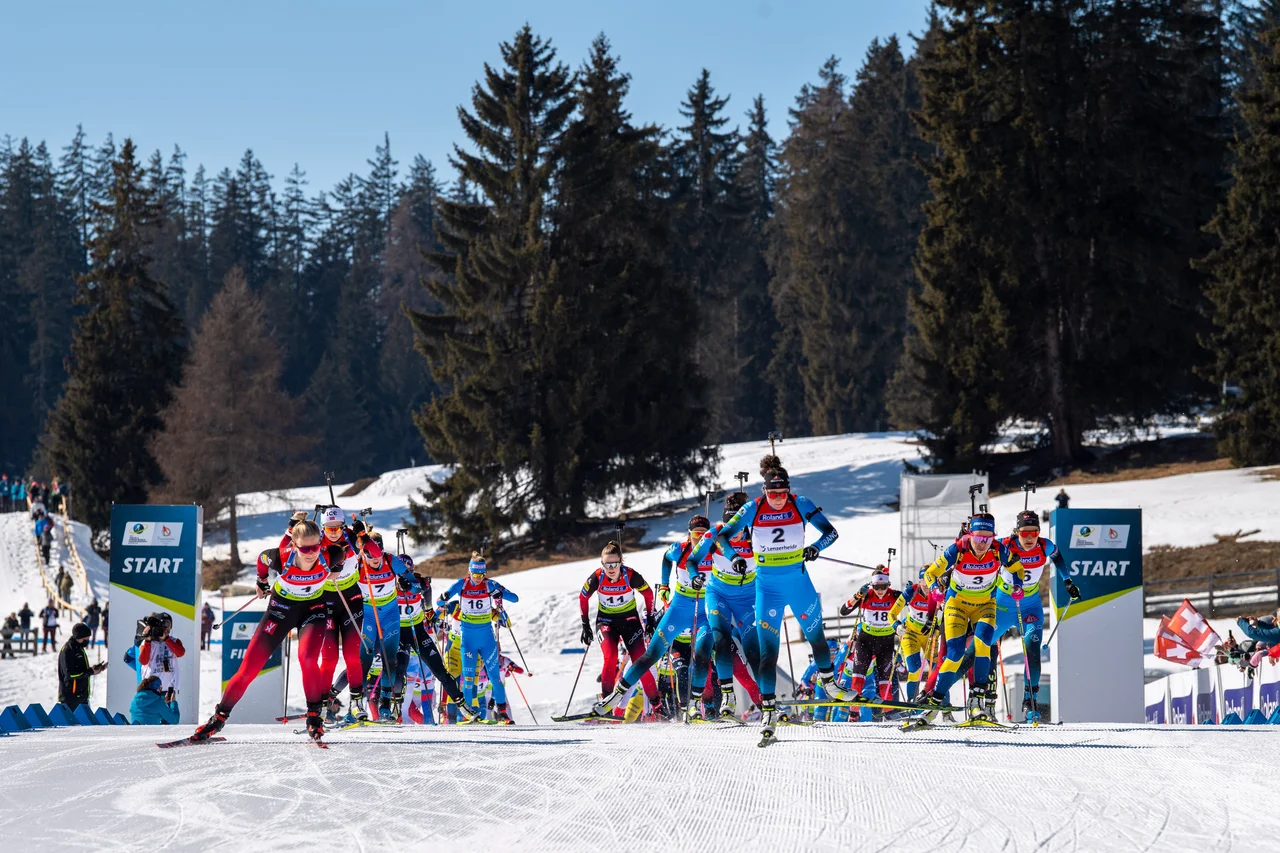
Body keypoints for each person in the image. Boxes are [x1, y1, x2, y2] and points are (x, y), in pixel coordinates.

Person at [678, 455, 850, 735]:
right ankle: (766, 709)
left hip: (797, 582)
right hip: (765, 589)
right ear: (764, 492)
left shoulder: (800, 503)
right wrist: (733, 557)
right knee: (765, 651)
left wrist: (816, 547)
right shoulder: (752, 508)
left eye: (783, 493)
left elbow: (831, 532)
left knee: (815, 635)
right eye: (773, 494)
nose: (779, 499)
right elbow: (721, 537)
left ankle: (830, 683)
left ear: (789, 490)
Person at [190, 519, 346, 744]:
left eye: (315, 547)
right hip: (280, 610)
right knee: (249, 669)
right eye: (305, 548)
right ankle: (218, 719)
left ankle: (314, 719)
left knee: (308, 658)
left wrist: (337, 569)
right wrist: (261, 581)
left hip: (314, 610)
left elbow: (341, 555)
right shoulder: (281, 557)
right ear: (294, 545)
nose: (311, 553)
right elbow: (262, 559)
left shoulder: (330, 554)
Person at [593, 515, 717, 721]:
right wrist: (664, 583)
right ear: (689, 534)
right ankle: (615, 697)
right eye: (696, 535)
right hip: (679, 610)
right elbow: (666, 559)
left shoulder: (716, 551)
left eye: (704, 536)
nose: (700, 540)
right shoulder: (680, 549)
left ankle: (705, 706)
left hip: (704, 614)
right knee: (650, 655)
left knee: (704, 658)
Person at [913, 512, 1025, 723]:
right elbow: (930, 573)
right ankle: (934, 704)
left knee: (983, 645)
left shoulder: (999, 550)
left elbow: (1018, 568)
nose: (982, 543)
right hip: (957, 604)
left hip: (985, 605)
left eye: (987, 538)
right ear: (970, 534)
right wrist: (935, 588)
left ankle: (976, 701)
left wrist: (1018, 585)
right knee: (954, 654)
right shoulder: (958, 549)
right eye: (978, 537)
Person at [991, 511, 1080, 722]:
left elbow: (1057, 557)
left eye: (1034, 532)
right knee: (983, 649)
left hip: (1030, 606)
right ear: (1017, 532)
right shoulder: (1005, 544)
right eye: (1024, 533)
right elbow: (981, 548)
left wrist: (1067, 580)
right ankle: (983, 698)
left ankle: (1030, 702)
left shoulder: (1044, 545)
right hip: (1002, 607)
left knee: (1033, 651)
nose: (1030, 537)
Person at [579, 541, 663, 713]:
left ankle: (657, 705)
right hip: (606, 622)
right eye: (606, 564)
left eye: (614, 564)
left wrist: (650, 618)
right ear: (602, 564)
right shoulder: (597, 577)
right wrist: (585, 625)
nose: (611, 568)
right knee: (610, 657)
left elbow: (648, 594)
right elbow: (583, 598)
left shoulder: (630, 575)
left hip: (629, 621)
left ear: (620, 562)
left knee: (640, 661)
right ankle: (606, 705)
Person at [437, 553, 521, 724]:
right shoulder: (462, 584)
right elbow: (439, 602)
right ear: (469, 572)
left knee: (495, 678)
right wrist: (444, 597)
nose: (478, 579)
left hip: (486, 638)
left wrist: (500, 593)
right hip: (467, 640)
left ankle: (503, 713)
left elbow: (515, 598)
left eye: (481, 575)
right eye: (475, 575)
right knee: (468, 681)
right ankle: (468, 715)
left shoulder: (490, 584)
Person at [703, 491, 764, 718]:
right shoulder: (717, 536)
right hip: (718, 597)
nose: (733, 532)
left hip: (746, 601)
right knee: (720, 642)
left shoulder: (755, 538)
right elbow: (692, 558)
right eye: (729, 525)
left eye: (737, 526)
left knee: (754, 650)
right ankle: (725, 696)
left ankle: (767, 701)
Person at [837, 568, 901, 712]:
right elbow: (844, 611)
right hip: (866, 641)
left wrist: (908, 593)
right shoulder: (866, 595)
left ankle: (888, 712)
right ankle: (854, 712)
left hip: (886, 642)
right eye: (876, 587)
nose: (880, 590)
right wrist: (858, 595)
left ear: (888, 585)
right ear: (872, 586)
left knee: (885, 677)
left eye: (883, 587)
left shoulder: (895, 596)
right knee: (858, 675)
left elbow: (916, 603)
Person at [888, 568, 943, 701]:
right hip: (910, 634)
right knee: (914, 669)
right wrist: (896, 626)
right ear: (919, 581)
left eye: (929, 581)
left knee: (937, 671)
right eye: (922, 581)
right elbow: (892, 614)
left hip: (931, 637)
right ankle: (912, 704)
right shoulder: (911, 592)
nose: (925, 585)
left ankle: (944, 708)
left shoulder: (940, 593)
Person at [58, 622, 106, 710]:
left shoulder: (79, 648)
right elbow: (70, 674)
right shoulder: (68, 650)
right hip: (71, 698)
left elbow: (81, 669)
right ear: (79, 637)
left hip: (82, 697)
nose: (88, 640)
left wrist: (94, 669)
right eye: (86, 637)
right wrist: (90, 672)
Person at [139, 612, 185, 695]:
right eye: (164, 624)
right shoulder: (147, 642)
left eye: (169, 625)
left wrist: (166, 639)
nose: (167, 629)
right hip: (151, 688)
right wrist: (148, 641)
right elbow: (143, 661)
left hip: (168, 688)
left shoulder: (174, 641)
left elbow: (180, 653)